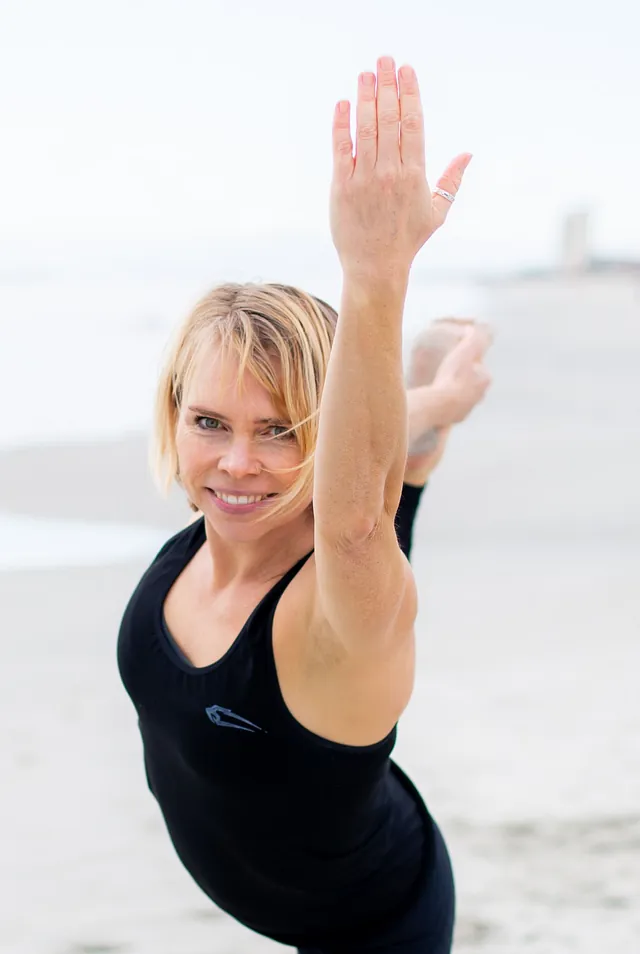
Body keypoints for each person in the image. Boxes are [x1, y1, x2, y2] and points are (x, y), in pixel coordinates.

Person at [117, 57, 490, 954]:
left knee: (365, 525)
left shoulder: (335, 596)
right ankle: (428, 417)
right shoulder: (222, 524)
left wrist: (377, 273)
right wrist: (422, 408)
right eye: (209, 420)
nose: (236, 464)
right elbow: (341, 480)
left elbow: (355, 519)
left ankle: (421, 426)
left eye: (281, 430)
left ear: (320, 434)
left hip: (376, 925)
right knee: (361, 486)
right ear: (174, 409)